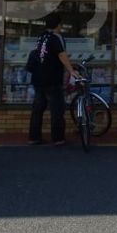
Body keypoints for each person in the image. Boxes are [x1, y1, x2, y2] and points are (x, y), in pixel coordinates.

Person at [28, 12, 77, 145]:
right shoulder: (56, 37)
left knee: (38, 109)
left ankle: (34, 137)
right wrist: (71, 71)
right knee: (57, 109)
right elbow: (61, 55)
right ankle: (58, 138)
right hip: (52, 78)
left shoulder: (41, 37)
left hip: (38, 78)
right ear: (58, 25)